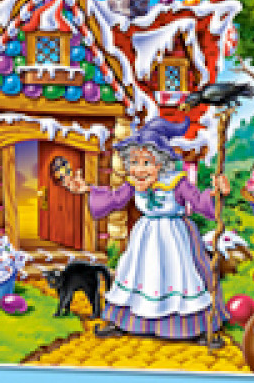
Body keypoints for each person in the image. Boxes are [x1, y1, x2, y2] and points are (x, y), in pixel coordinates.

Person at [65, 117, 229, 346]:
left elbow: (200, 203)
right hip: (145, 236)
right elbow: (115, 199)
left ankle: (198, 328)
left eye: (146, 162)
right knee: (136, 274)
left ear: (161, 163)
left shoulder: (177, 182)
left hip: (174, 237)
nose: (139, 169)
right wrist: (87, 190)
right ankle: (123, 322)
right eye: (134, 162)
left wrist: (215, 194)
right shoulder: (134, 183)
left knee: (180, 277)